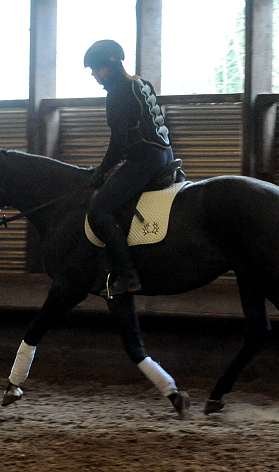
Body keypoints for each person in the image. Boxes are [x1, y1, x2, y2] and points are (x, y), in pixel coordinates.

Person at [84, 39, 174, 296]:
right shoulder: (141, 83)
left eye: (93, 70)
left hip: (144, 160)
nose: (93, 76)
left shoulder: (117, 94)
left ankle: (128, 274)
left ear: (104, 69)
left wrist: (100, 170)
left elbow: (119, 145)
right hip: (166, 155)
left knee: (99, 209)